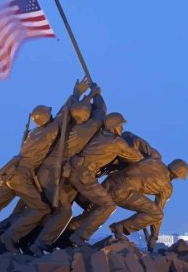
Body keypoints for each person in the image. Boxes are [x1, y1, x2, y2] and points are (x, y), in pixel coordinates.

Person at [0, 78, 89, 253]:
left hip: (10, 172)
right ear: (47, 118)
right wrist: (76, 93)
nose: (52, 116)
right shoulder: (48, 132)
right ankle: (9, 238)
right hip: (21, 175)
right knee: (41, 208)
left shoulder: (33, 132)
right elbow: (63, 115)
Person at [67, 132, 188, 252]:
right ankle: (119, 228)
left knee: (95, 211)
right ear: (178, 177)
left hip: (111, 181)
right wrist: (154, 236)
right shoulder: (167, 188)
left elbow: (131, 136)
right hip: (123, 192)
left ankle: (69, 229)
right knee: (157, 214)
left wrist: (131, 154)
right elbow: (157, 215)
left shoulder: (155, 157)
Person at [29, 82, 107, 256]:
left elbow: (62, 112)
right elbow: (101, 114)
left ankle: (47, 241)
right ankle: (38, 246)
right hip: (52, 175)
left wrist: (77, 94)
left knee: (57, 208)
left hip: (49, 172)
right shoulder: (85, 129)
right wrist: (96, 95)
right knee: (64, 211)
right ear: (86, 116)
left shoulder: (62, 124)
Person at [67, 114, 143, 247]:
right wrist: (138, 149)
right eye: (120, 125)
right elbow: (135, 157)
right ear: (114, 126)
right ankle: (79, 236)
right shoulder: (116, 141)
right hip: (84, 175)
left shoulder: (100, 135)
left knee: (93, 207)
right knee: (108, 205)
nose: (122, 127)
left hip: (75, 171)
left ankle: (68, 232)